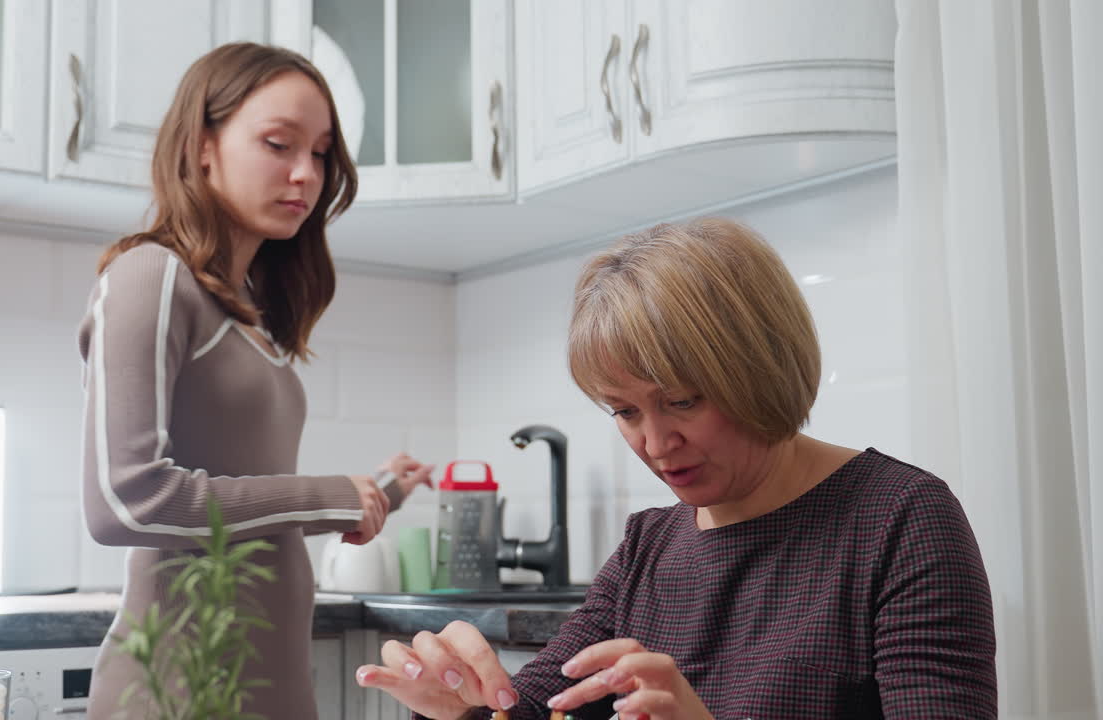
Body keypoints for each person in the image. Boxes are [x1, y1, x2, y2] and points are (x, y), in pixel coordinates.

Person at [356, 218, 997, 719]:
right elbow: (535, 706)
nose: (656, 443)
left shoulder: (900, 519)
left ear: (760, 367)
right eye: (625, 411)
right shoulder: (649, 546)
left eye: (682, 401)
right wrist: (463, 706)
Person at [76, 42, 433, 720]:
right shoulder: (150, 277)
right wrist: (330, 497)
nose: (306, 174)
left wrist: (377, 491)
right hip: (180, 693)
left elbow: (246, 488)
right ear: (202, 144)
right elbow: (125, 501)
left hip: (268, 687)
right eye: (278, 143)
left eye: (322, 152)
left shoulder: (247, 313)